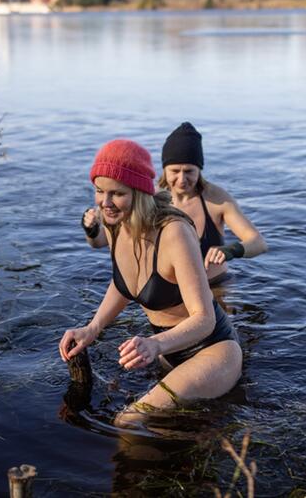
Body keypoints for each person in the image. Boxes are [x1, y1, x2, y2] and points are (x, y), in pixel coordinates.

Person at [61, 139, 242, 428]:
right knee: (168, 431)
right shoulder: (115, 222)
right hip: (168, 352)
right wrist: (92, 328)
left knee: (128, 420)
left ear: (140, 192)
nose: (105, 203)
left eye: (117, 193)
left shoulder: (174, 233)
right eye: (99, 191)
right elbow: (123, 283)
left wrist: (154, 344)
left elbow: (204, 319)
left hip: (212, 350)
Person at [81, 122, 267, 284]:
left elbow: (258, 242)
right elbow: (100, 242)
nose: (181, 179)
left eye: (189, 171)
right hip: (166, 292)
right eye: (175, 171)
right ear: (164, 169)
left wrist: (230, 250)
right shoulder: (148, 199)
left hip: (215, 285)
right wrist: (92, 229)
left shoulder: (217, 199)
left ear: (199, 170)